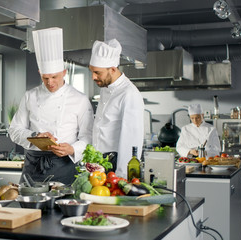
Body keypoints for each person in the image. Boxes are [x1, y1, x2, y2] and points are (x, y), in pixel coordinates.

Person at [8, 27, 94, 185]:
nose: (50, 83)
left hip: (64, 166)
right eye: (45, 78)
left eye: (54, 77)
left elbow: (88, 136)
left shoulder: (79, 99)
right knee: (29, 209)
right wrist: (35, 137)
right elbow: (14, 130)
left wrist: (73, 149)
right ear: (40, 73)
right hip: (32, 166)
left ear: (64, 72)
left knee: (60, 207)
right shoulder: (30, 96)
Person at [88, 39, 144, 179]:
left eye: (97, 72)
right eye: (92, 71)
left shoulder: (129, 94)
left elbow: (131, 140)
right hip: (100, 164)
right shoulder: (105, 88)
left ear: (112, 69)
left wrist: (121, 178)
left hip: (115, 167)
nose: (93, 77)